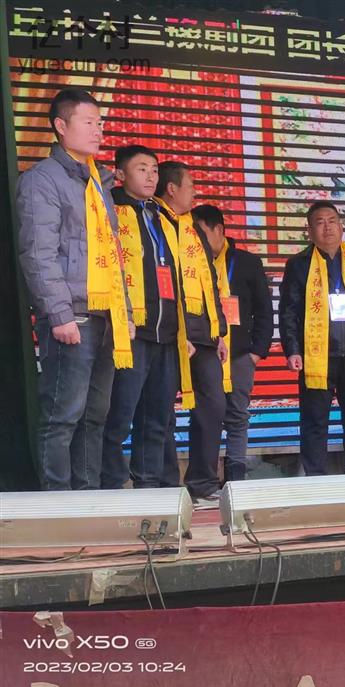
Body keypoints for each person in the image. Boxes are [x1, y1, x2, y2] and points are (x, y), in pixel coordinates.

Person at [16, 88, 134, 490]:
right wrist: (59, 314)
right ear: (61, 126)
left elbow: (113, 255)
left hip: (105, 316)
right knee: (62, 415)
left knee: (95, 416)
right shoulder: (42, 180)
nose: (98, 130)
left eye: (100, 123)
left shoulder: (97, 183)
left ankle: (88, 500)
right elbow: (38, 252)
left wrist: (125, 313)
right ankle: (58, 504)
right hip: (72, 316)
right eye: (88, 122)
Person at [101, 146, 196, 489]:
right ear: (120, 174)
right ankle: (110, 486)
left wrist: (185, 331)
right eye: (142, 169)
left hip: (166, 334)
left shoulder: (162, 216)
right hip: (132, 333)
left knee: (157, 419)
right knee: (117, 417)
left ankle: (149, 488)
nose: (151, 176)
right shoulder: (109, 210)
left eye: (154, 170)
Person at [278, 202, 345, 476]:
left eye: (332, 221)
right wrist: (293, 350)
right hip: (316, 356)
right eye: (319, 222)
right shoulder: (298, 265)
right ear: (309, 230)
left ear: (341, 226)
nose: (327, 227)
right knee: (314, 421)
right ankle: (316, 479)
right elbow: (288, 311)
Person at [154, 161, 228, 500]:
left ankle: (203, 482)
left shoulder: (193, 228)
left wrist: (220, 330)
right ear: (172, 189)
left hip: (204, 335)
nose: (195, 192)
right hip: (169, 333)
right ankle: (167, 484)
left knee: (212, 407)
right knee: (161, 410)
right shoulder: (154, 221)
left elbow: (210, 280)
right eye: (191, 185)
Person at [192, 204, 273, 482]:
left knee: (237, 415)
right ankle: (204, 477)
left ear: (219, 230)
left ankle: (236, 475)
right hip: (205, 352)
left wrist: (256, 353)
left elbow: (264, 310)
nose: (197, 240)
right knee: (205, 415)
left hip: (239, 355)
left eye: (201, 233)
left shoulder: (247, 263)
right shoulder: (193, 263)